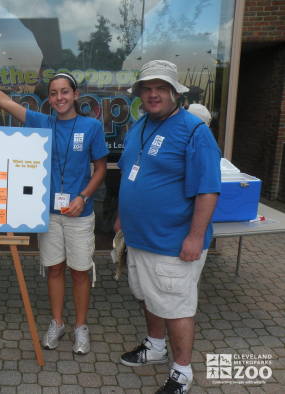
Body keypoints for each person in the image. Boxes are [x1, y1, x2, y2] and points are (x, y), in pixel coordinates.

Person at [0, 64, 108, 354]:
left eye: (65, 92)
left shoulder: (91, 127)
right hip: (48, 214)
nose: (59, 98)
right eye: (54, 93)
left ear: (75, 94)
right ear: (49, 98)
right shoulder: (41, 122)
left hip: (79, 213)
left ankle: (81, 327)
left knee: (80, 272)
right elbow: (5, 101)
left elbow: (100, 168)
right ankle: (57, 322)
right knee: (54, 269)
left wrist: (82, 196)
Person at [114, 60, 221, 394]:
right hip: (140, 237)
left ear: (175, 93)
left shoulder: (194, 131)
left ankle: (182, 371)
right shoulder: (139, 126)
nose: (154, 95)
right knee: (149, 297)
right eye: (147, 89)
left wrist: (194, 236)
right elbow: (130, 171)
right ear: (140, 95)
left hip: (175, 242)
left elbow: (208, 189)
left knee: (176, 306)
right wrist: (122, 215)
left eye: (161, 88)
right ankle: (155, 347)